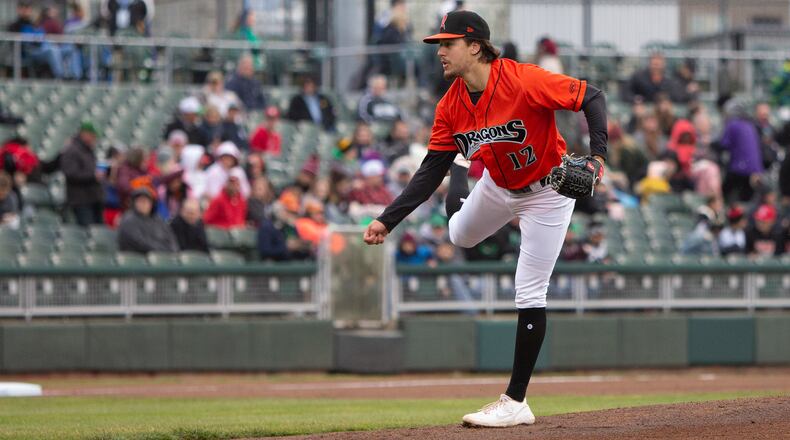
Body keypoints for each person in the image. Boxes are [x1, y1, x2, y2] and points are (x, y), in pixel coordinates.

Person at [363, 10, 608, 428]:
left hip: (548, 191)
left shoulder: (524, 79)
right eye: (439, 44)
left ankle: (515, 401)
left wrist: (599, 156)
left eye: (448, 43)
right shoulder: (450, 105)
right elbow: (428, 171)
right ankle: (465, 164)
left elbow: (593, 96)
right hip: (497, 184)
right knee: (459, 235)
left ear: (475, 45)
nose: (440, 52)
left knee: (530, 290)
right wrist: (389, 220)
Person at [61, 121, 105, 226]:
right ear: (84, 133)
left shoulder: (88, 149)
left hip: (93, 198)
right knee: (86, 232)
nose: (95, 139)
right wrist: (93, 176)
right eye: (93, 135)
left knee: (97, 231)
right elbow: (70, 173)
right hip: (81, 200)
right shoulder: (72, 150)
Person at [117, 187, 179, 253]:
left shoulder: (158, 219)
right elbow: (141, 243)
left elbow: (171, 239)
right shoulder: (129, 220)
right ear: (134, 203)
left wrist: (173, 250)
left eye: (146, 201)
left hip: (162, 256)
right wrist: (164, 250)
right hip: (137, 258)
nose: (143, 204)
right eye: (140, 201)